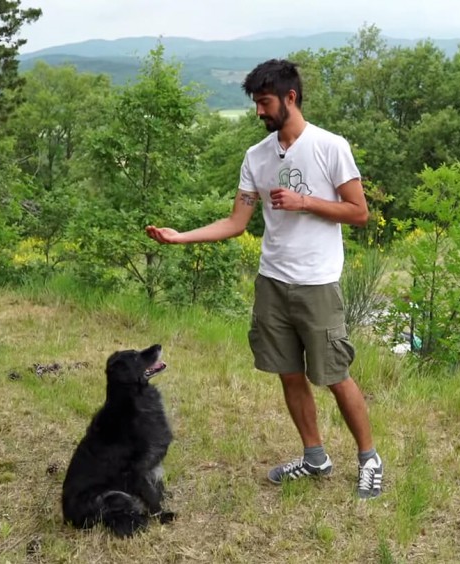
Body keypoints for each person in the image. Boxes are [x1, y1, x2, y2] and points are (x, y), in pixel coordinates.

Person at [146, 59, 383, 499]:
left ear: (290, 98)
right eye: (255, 103)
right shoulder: (256, 157)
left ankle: (369, 458)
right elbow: (237, 221)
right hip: (272, 281)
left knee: (335, 375)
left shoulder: (330, 147)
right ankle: (315, 457)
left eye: (264, 102)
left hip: (317, 282)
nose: (258, 112)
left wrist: (305, 201)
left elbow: (359, 212)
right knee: (288, 373)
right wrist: (182, 238)